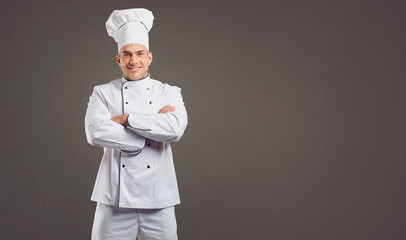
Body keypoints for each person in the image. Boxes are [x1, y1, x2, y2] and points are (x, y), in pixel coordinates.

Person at [84, 8, 188, 240]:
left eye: (140, 53)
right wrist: (151, 131)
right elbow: (95, 132)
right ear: (118, 59)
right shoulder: (102, 93)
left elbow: (175, 129)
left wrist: (127, 120)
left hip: (159, 200)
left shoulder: (169, 92)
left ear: (149, 57)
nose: (134, 61)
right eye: (127, 54)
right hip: (114, 201)